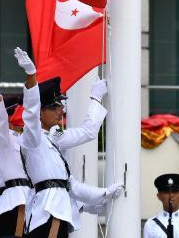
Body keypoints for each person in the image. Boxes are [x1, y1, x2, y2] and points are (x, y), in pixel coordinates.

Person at [16, 47, 119, 237]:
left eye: (60, 106)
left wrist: (102, 195)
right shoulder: (31, 138)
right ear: (41, 111)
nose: (60, 111)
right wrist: (31, 77)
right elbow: (30, 112)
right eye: (54, 107)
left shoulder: (54, 138)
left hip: (58, 217)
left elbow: (87, 133)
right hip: (45, 217)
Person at [0, 73, 32, 238]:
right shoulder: (1, 139)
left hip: (28, 206)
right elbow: (1, 122)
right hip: (11, 210)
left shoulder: (21, 138)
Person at [143, 173, 179, 238]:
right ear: (159, 196)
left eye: (175, 191)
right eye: (166, 192)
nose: (171, 195)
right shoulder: (151, 224)